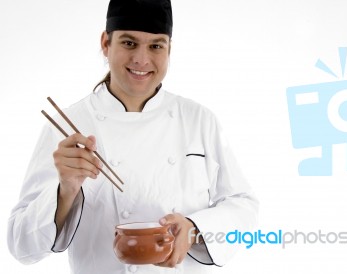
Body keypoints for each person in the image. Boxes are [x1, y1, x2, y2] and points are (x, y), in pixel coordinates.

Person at [7, 0, 258, 273]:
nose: (141, 59)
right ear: (106, 43)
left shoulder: (200, 120)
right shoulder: (68, 126)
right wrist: (65, 190)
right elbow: (21, 246)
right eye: (129, 43)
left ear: (169, 49)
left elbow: (243, 205)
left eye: (156, 46)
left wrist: (194, 230)